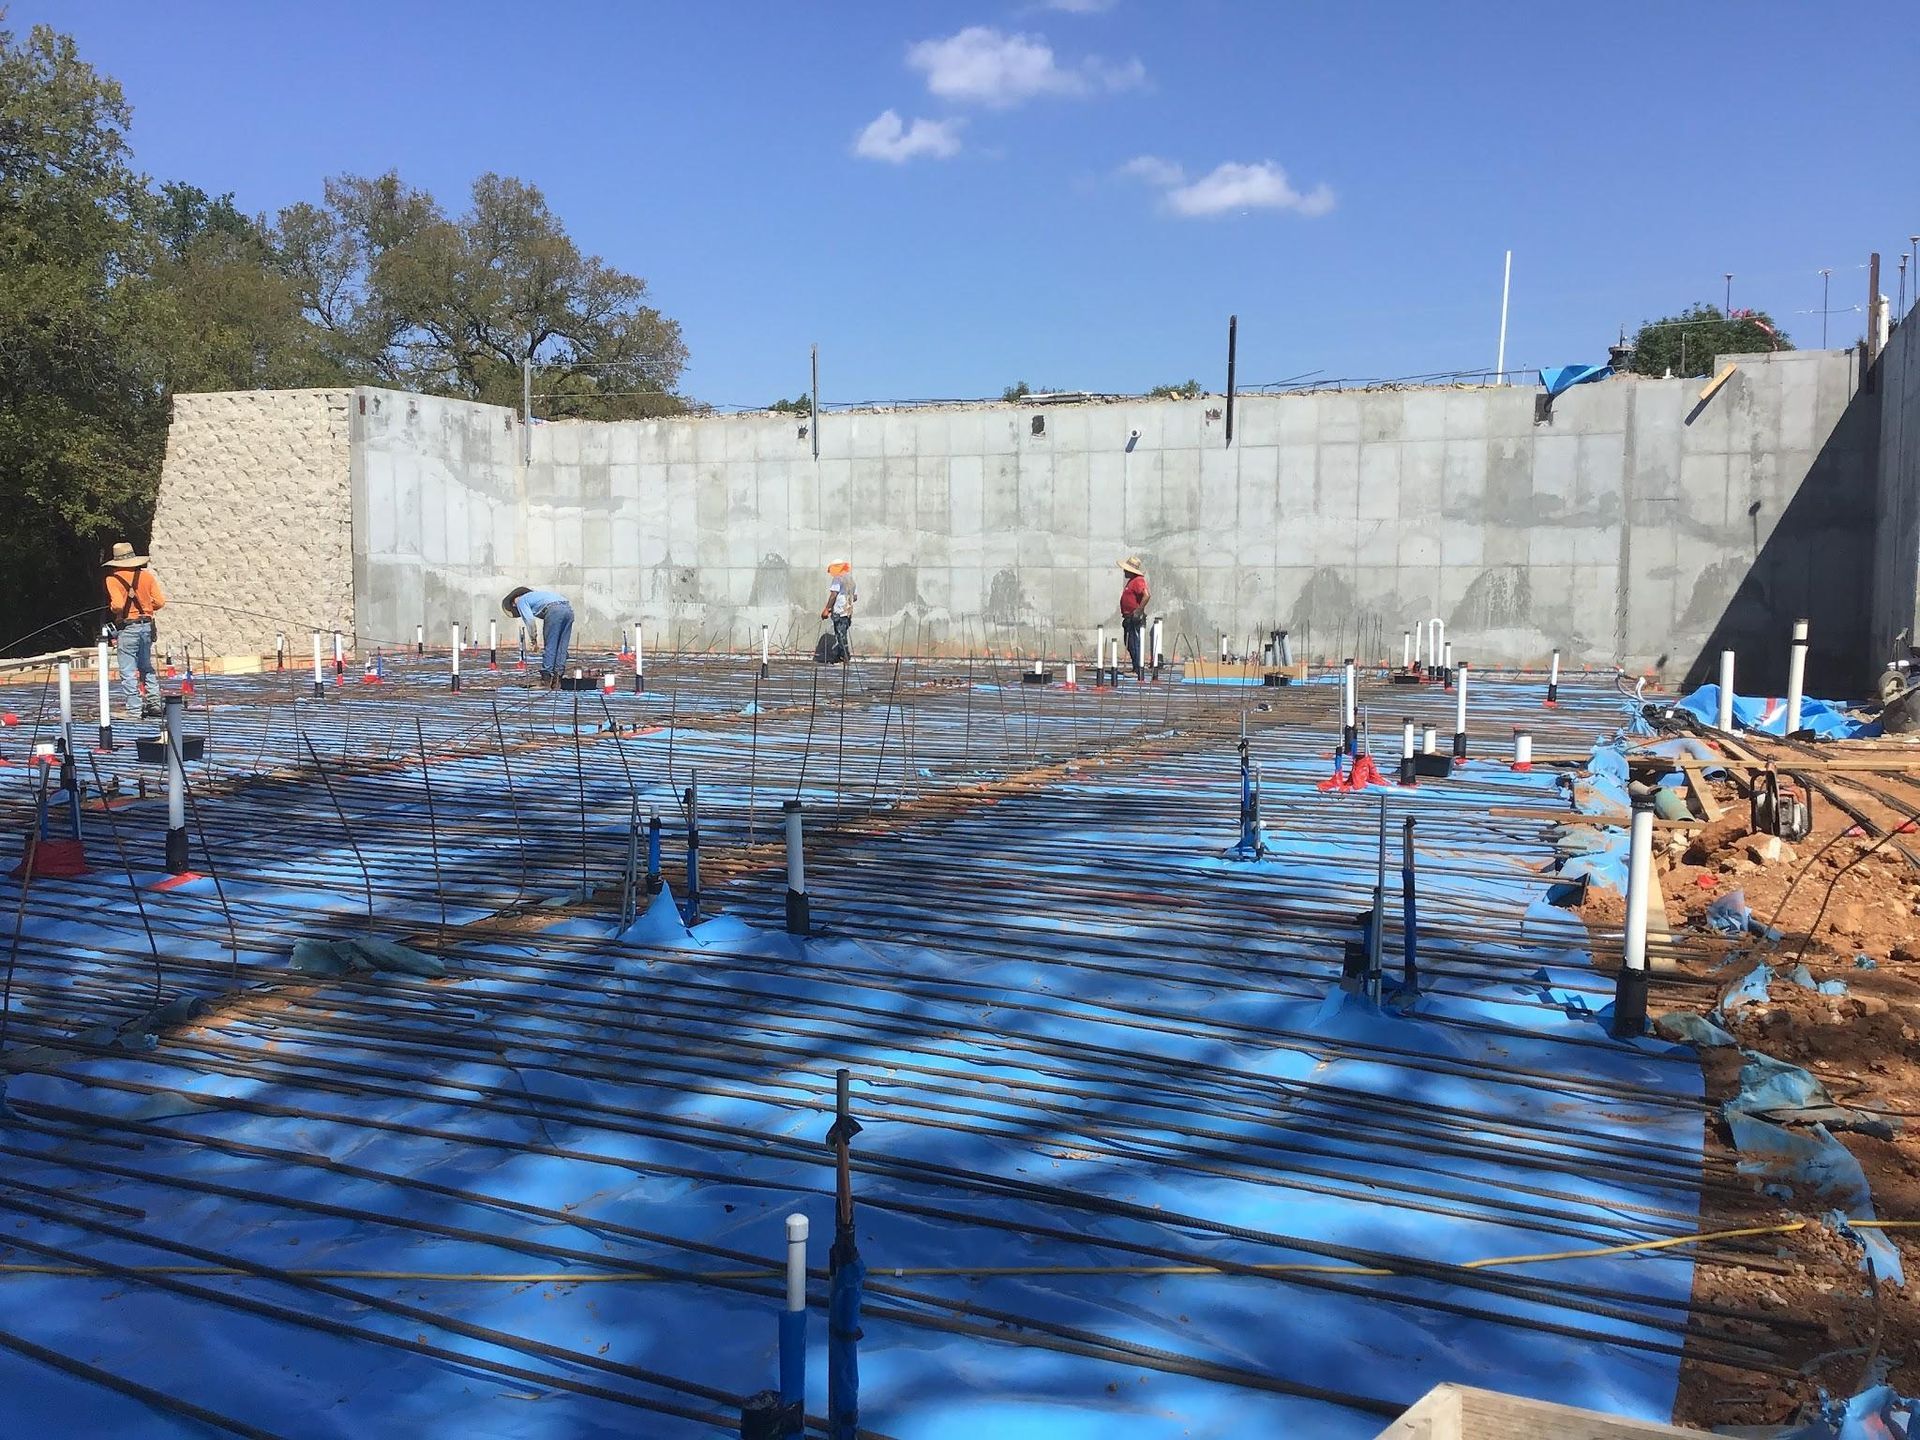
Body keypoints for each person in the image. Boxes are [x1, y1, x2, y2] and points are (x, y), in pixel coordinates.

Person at [103, 541, 167, 720]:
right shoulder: (146, 576)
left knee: (128, 670)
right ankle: (155, 704)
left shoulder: (112, 579)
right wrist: (146, 606)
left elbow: (117, 605)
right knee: (146, 666)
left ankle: (134, 710)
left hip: (128, 627)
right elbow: (160, 602)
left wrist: (114, 609)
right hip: (146, 626)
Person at [502, 586, 574, 687]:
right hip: (568, 610)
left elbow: (530, 622)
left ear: (515, 599)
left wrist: (533, 640)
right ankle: (558, 677)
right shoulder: (536, 596)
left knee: (551, 644)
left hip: (554, 611)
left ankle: (546, 677)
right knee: (562, 646)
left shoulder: (521, 601)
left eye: (513, 604)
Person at [1118, 555, 1150, 680]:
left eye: (1126, 569)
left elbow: (1146, 595)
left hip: (1134, 617)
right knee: (1130, 643)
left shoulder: (1138, 580)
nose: (1124, 571)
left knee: (1134, 643)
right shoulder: (1132, 581)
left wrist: (1138, 610)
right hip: (1128, 617)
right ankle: (1135, 667)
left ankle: (1137, 669)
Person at [820, 559, 856, 660]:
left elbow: (833, 595)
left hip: (839, 611)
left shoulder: (837, 579)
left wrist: (827, 609)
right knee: (842, 634)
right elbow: (855, 597)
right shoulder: (850, 579)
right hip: (847, 612)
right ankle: (841, 655)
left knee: (840, 635)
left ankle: (845, 656)